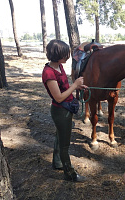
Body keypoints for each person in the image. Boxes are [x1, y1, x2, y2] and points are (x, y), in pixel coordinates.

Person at [42, 39, 87, 182]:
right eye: (65, 54)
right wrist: (75, 85)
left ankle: (57, 162)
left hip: (65, 109)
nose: (68, 57)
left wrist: (77, 87)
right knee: (64, 145)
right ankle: (69, 173)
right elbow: (59, 97)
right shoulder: (49, 73)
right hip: (61, 111)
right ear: (57, 54)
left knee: (59, 137)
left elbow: (63, 88)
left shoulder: (58, 67)